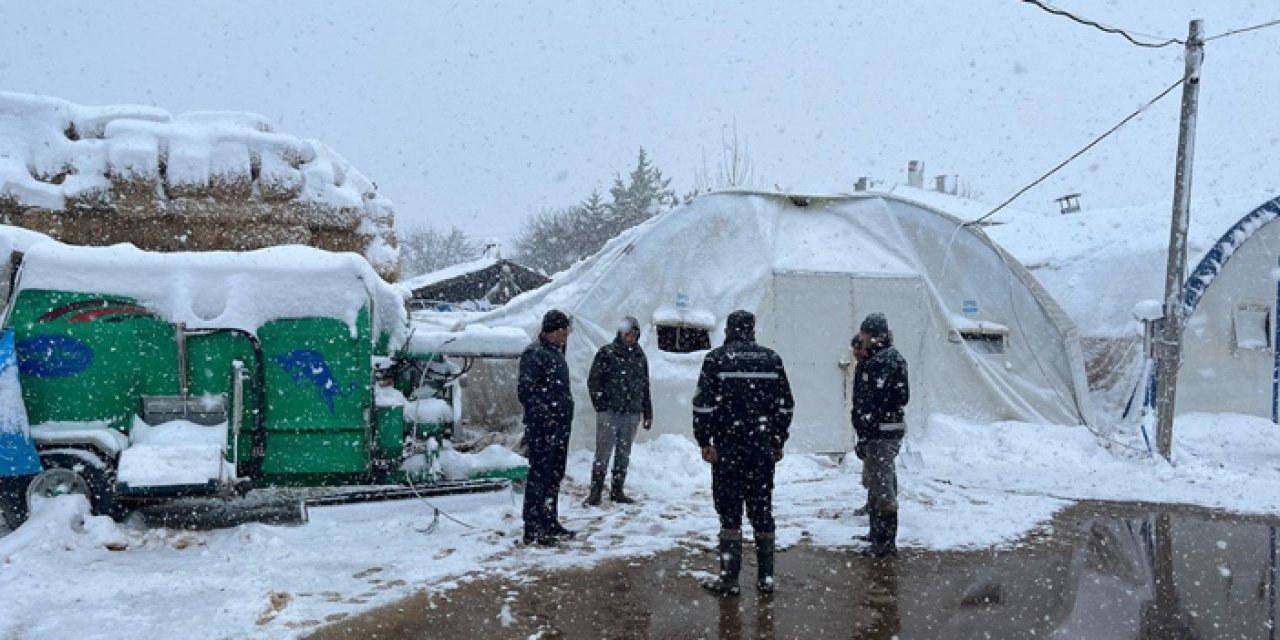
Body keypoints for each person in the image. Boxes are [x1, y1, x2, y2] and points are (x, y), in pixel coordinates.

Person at [693, 310, 795, 595]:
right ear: (752, 330)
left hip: (728, 449)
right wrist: (776, 440)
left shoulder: (716, 359)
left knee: (729, 513)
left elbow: (703, 405)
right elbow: (785, 405)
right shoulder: (771, 360)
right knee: (762, 510)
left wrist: (705, 440)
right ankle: (766, 578)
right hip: (760, 449)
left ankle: (730, 579)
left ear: (728, 331)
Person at [850, 312, 910, 558]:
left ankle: (885, 544)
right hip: (878, 430)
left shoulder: (884, 362)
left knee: (882, 485)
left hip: (881, 432)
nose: (861, 339)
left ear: (873, 335)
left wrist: (867, 428)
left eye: (864, 333)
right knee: (877, 483)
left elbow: (877, 401)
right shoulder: (878, 360)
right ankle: (877, 535)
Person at [518, 309, 576, 547]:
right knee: (539, 476)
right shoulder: (534, 354)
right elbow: (526, 393)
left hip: (559, 426)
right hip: (543, 428)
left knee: (554, 475)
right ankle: (533, 527)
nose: (566, 336)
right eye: (563, 331)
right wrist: (546, 416)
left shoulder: (554, 353)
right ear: (552, 330)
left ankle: (549, 519)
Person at [584, 315, 653, 506]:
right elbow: (594, 382)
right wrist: (602, 406)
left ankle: (617, 490)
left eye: (634, 334)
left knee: (623, 453)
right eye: (627, 334)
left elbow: (645, 386)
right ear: (620, 333)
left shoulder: (640, 356)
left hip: (632, 413)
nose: (631, 337)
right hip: (610, 413)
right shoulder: (607, 353)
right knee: (603, 453)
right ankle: (595, 492)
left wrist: (647, 413)